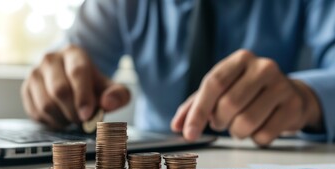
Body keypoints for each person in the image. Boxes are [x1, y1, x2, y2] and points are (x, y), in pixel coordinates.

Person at [21, 0, 335, 146]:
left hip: (267, 154)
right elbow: (67, 62)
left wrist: (307, 98)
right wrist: (52, 87)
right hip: (150, 167)